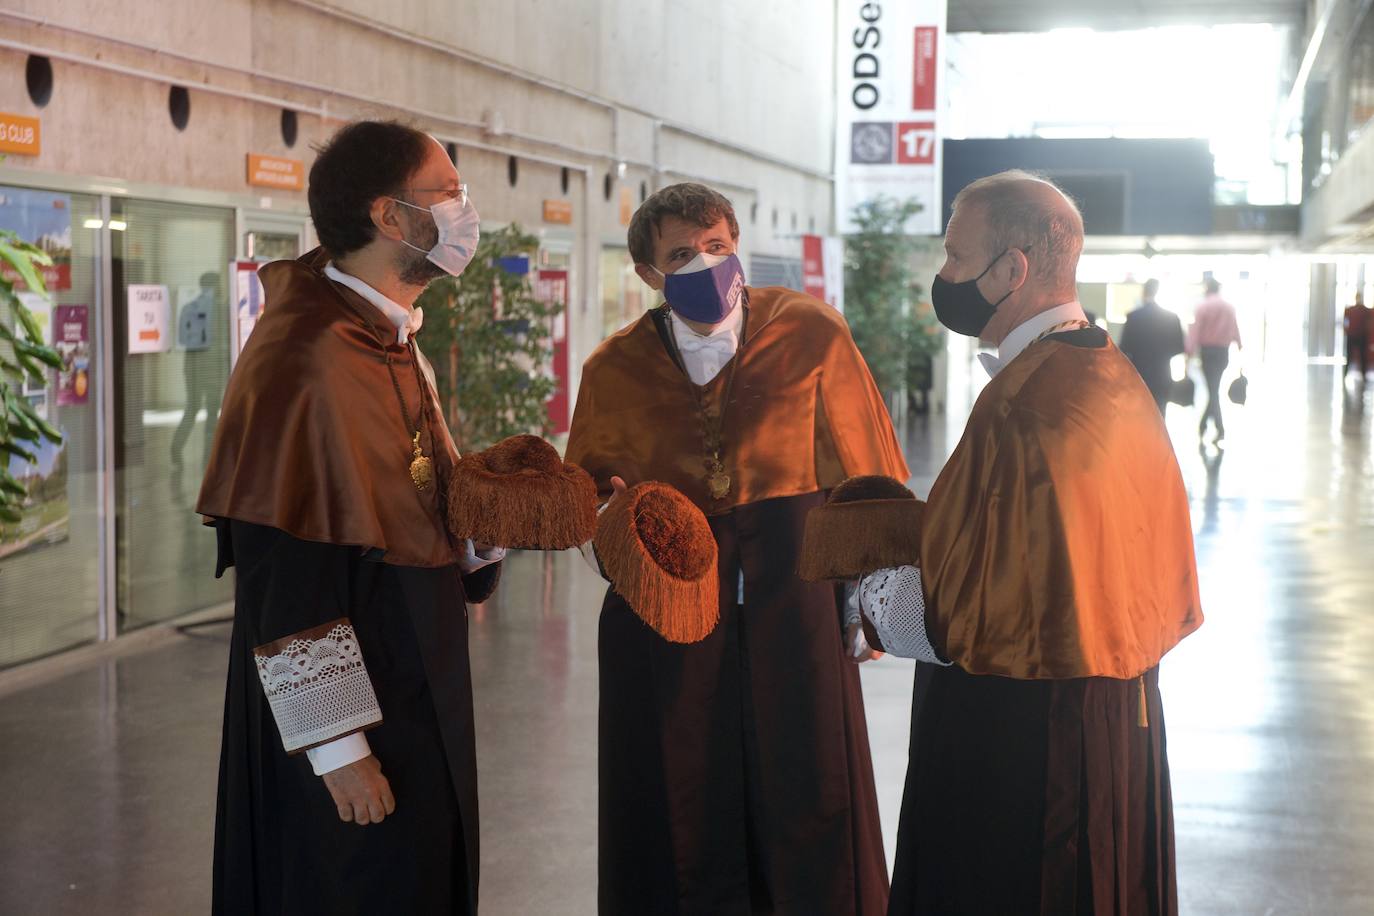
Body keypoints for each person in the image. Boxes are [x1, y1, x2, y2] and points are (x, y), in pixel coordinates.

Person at [853, 171, 1201, 915]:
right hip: (1117, 714)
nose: (944, 277)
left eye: (954, 257)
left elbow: (963, 612)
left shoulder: (1026, 404)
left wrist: (869, 595)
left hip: (1027, 737)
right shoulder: (1106, 371)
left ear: (1010, 268)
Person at [566, 182, 907, 915]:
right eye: (683, 254)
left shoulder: (813, 333)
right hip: (669, 615)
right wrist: (618, 530)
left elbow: (866, 474)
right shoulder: (612, 369)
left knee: (810, 780)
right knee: (676, 780)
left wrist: (869, 604)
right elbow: (591, 505)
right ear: (650, 275)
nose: (707, 264)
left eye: (719, 245)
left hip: (797, 594)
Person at [197, 120, 505, 915]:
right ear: (391, 217)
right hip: (357, 707)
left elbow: (407, 502)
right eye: (449, 195)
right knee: (350, 882)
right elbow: (281, 569)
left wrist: (488, 526)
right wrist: (338, 749)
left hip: (417, 666)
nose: (465, 213)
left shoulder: (392, 339)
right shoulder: (303, 355)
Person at [171, 271, 224, 475]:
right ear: (216, 286)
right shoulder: (221, 309)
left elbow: (183, 339)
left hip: (192, 368)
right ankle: (208, 459)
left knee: (191, 410)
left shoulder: (189, 307)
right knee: (212, 414)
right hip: (214, 368)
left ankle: (175, 450)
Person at [1186, 277, 1242, 443]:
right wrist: (1239, 344)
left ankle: (1210, 427)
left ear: (1207, 289)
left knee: (1212, 389)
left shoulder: (1203, 307)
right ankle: (1212, 427)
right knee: (1213, 388)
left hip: (1208, 352)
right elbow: (1235, 328)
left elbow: (1195, 331)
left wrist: (1189, 351)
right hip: (1223, 352)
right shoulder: (1229, 307)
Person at [1120, 278, 1185, 415]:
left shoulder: (1133, 317)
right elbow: (1179, 347)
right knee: (1160, 412)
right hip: (1162, 372)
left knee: (1140, 414)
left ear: (1144, 292)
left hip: (1139, 372)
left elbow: (1124, 347)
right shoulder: (1171, 318)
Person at [1343, 291, 1373, 378]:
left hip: (1361, 336)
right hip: (1352, 335)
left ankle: (1363, 375)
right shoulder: (1350, 309)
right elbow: (1345, 321)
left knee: (1363, 357)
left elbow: (1369, 321)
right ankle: (1345, 374)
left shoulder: (1364, 310)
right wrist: (1346, 330)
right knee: (1349, 356)